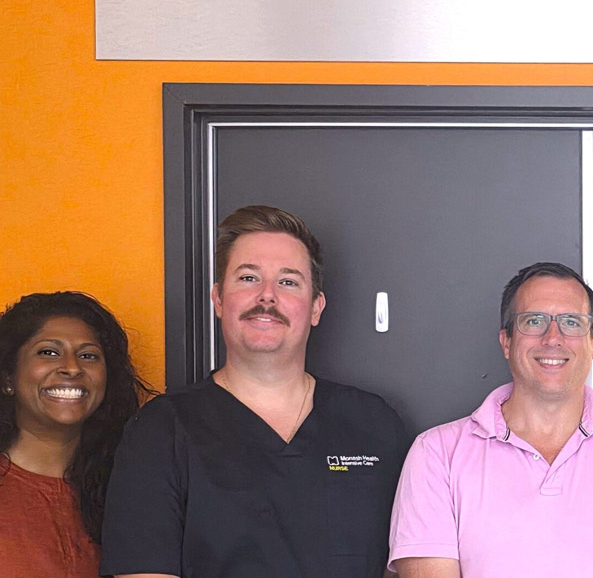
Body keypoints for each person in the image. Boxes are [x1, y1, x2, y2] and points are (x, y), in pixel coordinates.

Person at [99, 205, 410, 578]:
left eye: (288, 282)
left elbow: (406, 564)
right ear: (218, 299)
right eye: (248, 278)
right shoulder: (160, 431)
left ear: (316, 307)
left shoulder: (374, 423)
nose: (267, 296)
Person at [389, 261, 593, 577]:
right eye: (533, 321)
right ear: (506, 341)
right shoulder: (436, 454)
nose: (553, 338)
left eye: (572, 322)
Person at [0, 291, 154, 577]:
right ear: (7, 378)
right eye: (48, 352)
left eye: (88, 355)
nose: (72, 368)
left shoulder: (128, 486)